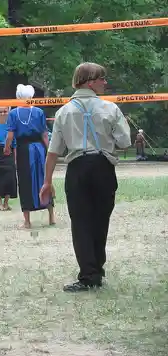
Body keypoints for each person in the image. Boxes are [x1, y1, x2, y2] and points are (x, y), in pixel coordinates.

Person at [40, 62, 131, 292]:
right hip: (103, 167)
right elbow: (124, 142)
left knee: (81, 223)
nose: (105, 83)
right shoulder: (111, 109)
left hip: (77, 168)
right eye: (102, 78)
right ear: (90, 81)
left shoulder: (63, 112)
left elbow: (53, 151)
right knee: (101, 221)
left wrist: (47, 181)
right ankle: (96, 270)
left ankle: (88, 274)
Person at [4, 84, 55, 228]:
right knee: (44, 178)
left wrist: (6, 148)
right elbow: (44, 134)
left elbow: (10, 135)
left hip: (24, 150)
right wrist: (49, 150)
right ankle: (51, 217)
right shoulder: (38, 111)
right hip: (39, 148)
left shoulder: (13, 113)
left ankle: (27, 221)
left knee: (25, 181)